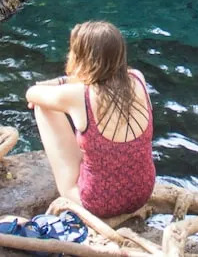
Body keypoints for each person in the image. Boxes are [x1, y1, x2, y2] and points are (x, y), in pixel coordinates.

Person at [26, 21, 155, 218]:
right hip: (142, 194)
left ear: (82, 57)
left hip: (100, 204)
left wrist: (59, 83)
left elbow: (32, 93)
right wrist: (63, 81)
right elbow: (105, 75)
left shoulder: (80, 95)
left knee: (43, 107)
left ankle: (74, 182)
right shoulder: (138, 78)